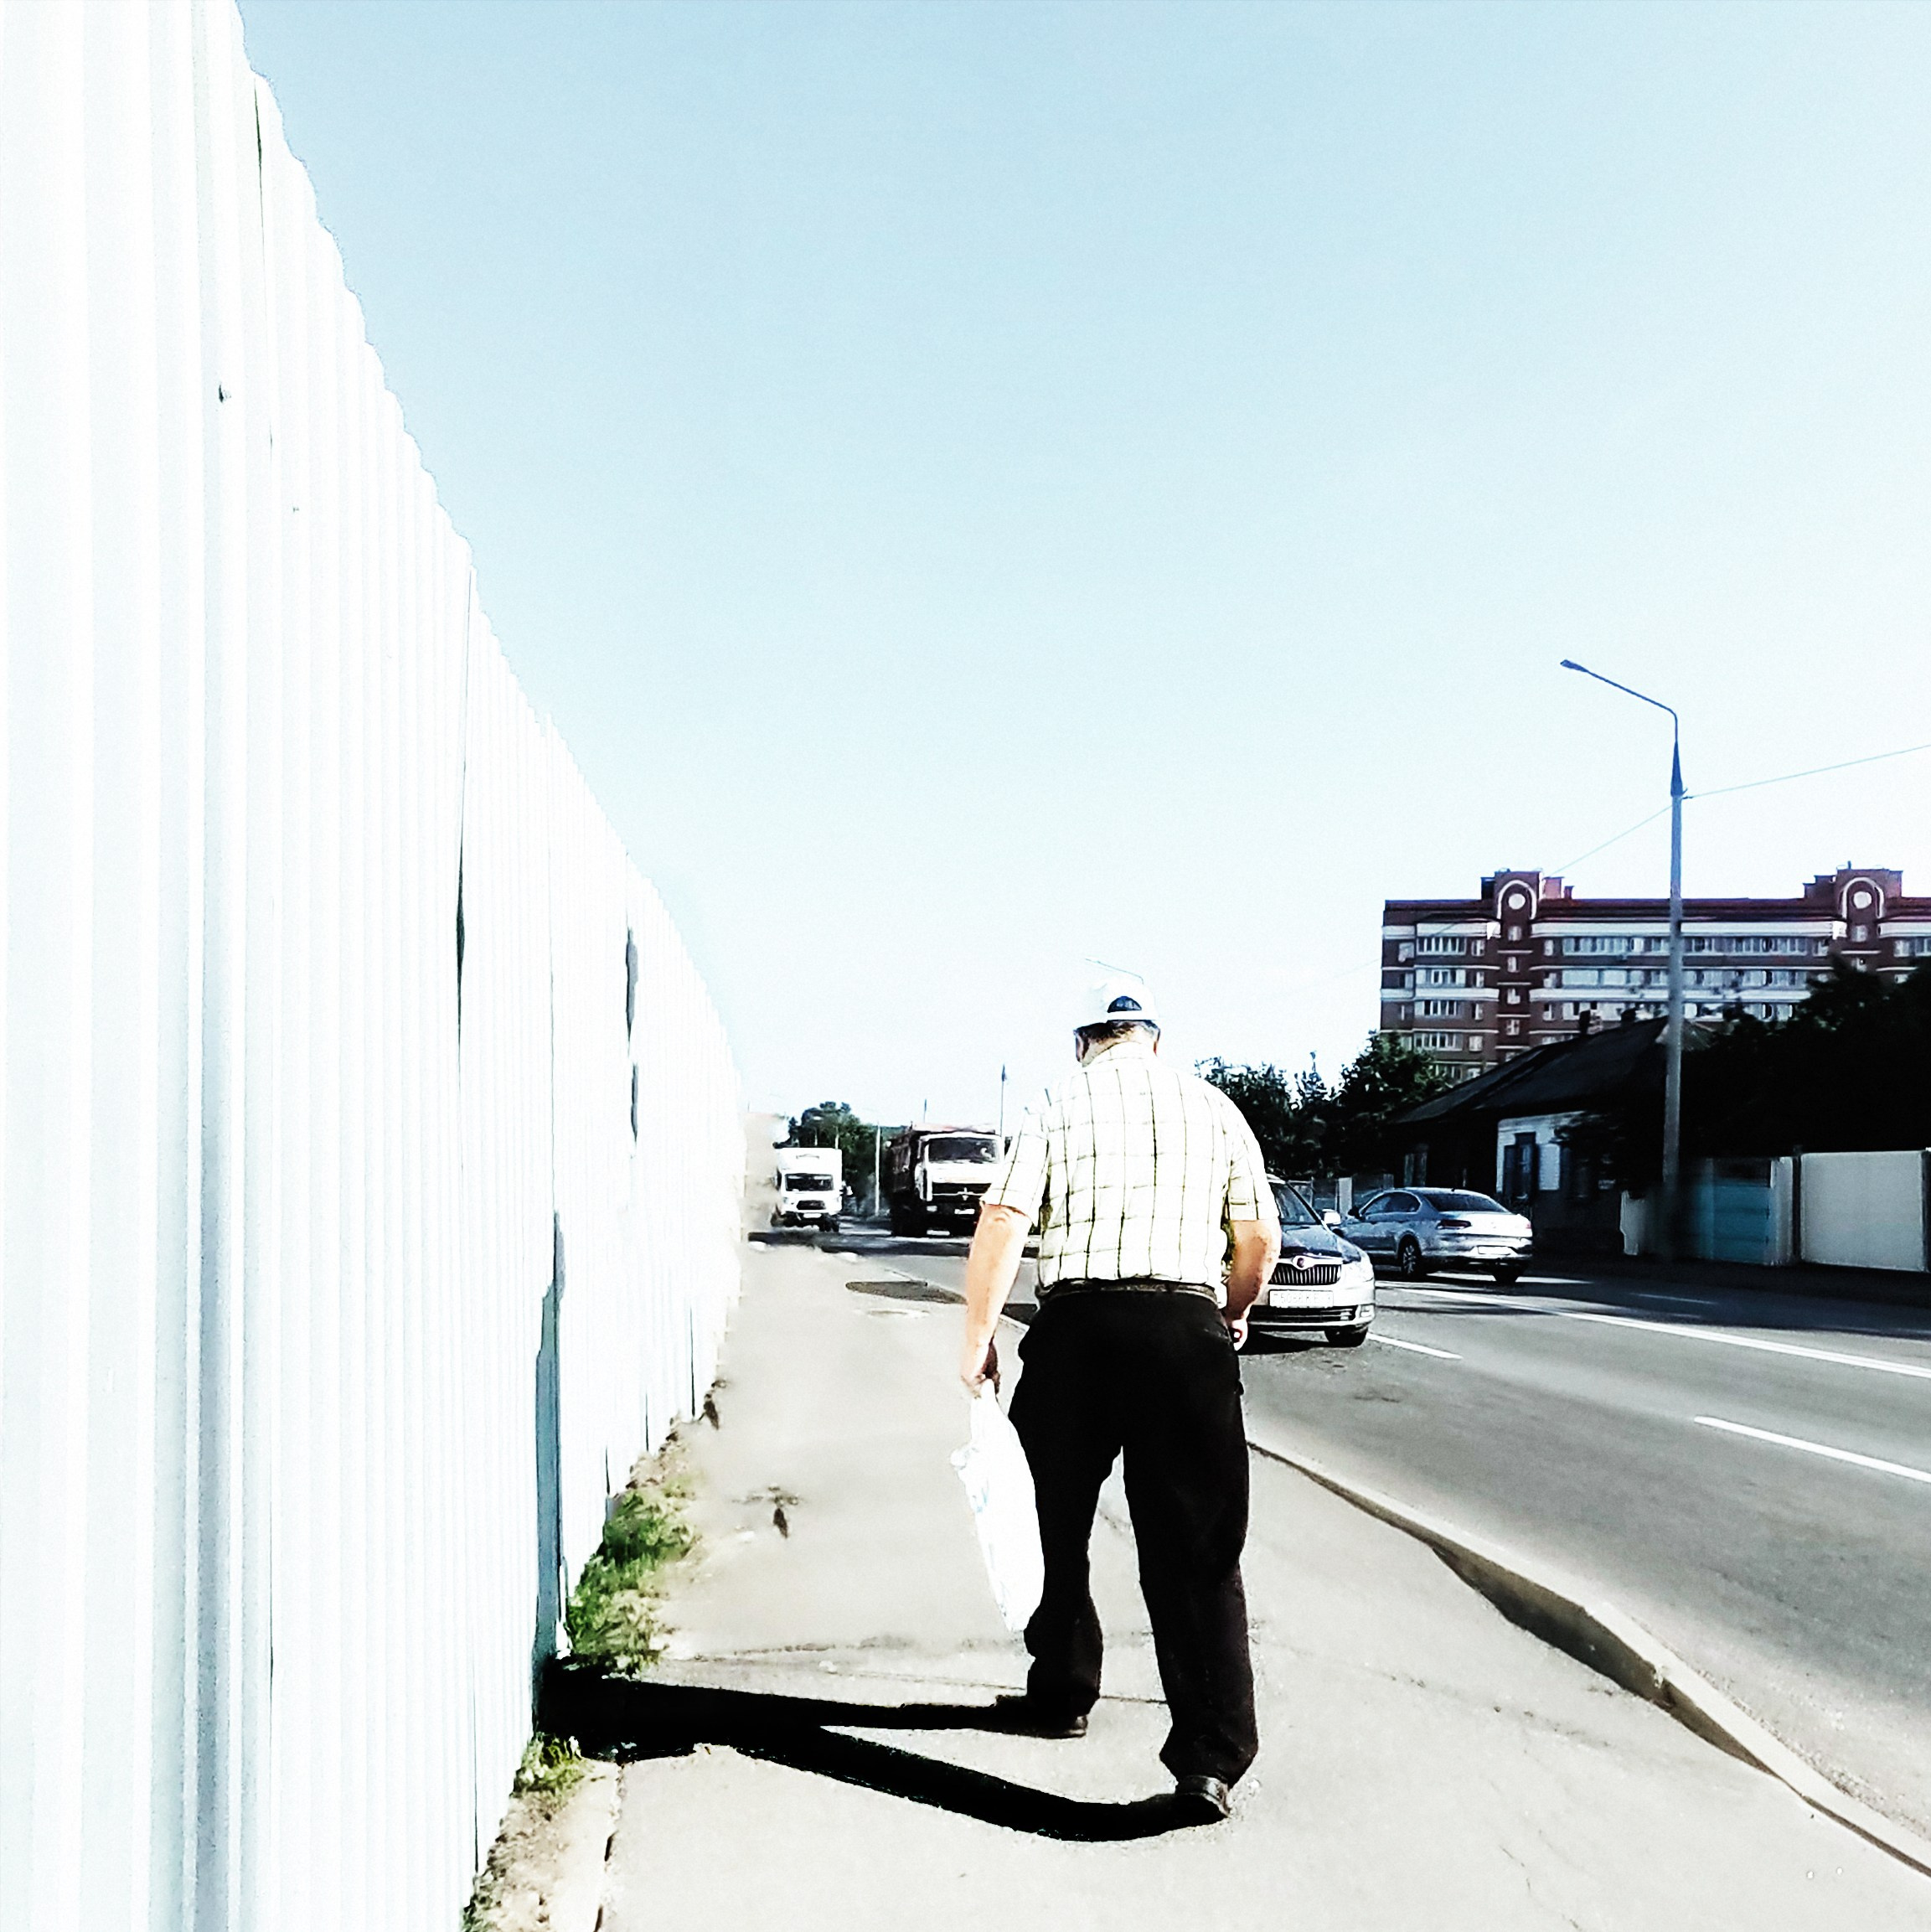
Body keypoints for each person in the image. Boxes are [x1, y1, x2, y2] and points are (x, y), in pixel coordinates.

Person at [959, 975, 1281, 1825]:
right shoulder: (1214, 1107)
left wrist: (977, 1338)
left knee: (1048, 1522)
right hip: (1184, 1330)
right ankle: (1209, 1758)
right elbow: (1257, 1238)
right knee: (1197, 1549)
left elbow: (1002, 1220)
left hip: (1078, 1330)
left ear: (1084, 1040)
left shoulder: (1055, 1103)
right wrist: (1232, 1310)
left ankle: (1061, 1688)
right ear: (1153, 1039)